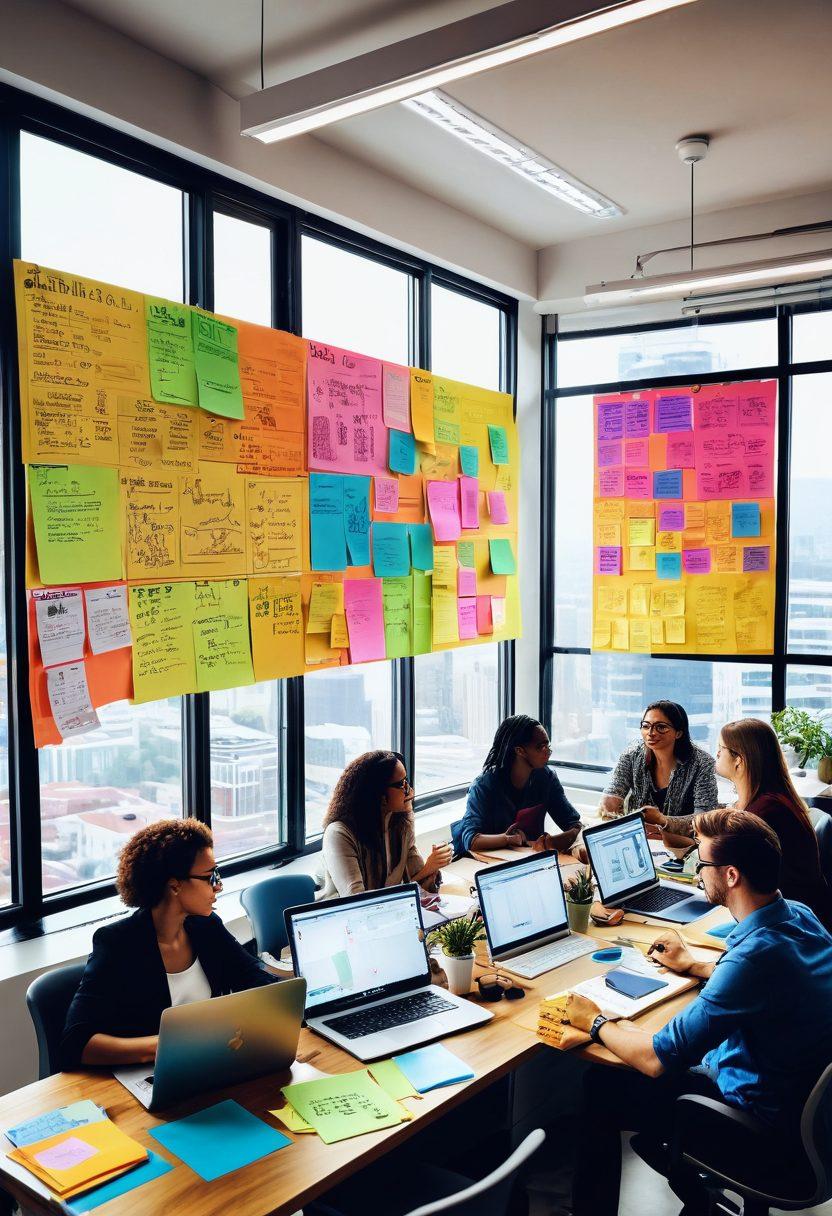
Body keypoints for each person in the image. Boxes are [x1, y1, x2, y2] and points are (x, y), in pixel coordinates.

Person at [562, 808, 832, 1216]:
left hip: (761, 1132)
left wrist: (595, 1022)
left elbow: (654, 1060)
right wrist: (694, 966)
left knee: (601, 1085)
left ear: (731, 876)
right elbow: (768, 977)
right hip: (806, 1115)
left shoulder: (752, 963)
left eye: (702, 862)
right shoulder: (801, 916)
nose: (696, 871)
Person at [60, 819, 275, 1070]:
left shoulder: (206, 927)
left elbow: (256, 980)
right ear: (174, 885)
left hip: (209, 1065)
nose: (218, 885)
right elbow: (76, 1043)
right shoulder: (117, 944)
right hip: (149, 1076)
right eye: (209, 877)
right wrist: (171, 1045)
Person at [317, 751, 451, 899]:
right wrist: (426, 870)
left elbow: (419, 884)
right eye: (401, 785)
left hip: (388, 915)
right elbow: (357, 902)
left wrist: (431, 869)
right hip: (344, 919)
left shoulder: (400, 822)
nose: (410, 791)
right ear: (377, 792)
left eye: (407, 782)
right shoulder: (339, 834)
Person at [455, 715, 582, 855]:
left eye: (548, 746)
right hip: (488, 866)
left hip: (531, 861)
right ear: (519, 751)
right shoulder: (484, 786)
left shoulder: (547, 778)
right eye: (540, 747)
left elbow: (574, 825)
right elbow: (470, 840)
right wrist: (507, 839)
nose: (548, 752)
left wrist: (550, 843)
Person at [600, 700, 718, 834]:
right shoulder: (631, 754)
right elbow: (613, 793)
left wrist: (662, 821)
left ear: (678, 733)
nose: (651, 733)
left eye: (661, 727)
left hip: (683, 843)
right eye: (646, 726)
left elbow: (705, 818)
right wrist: (610, 808)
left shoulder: (702, 763)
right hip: (641, 837)